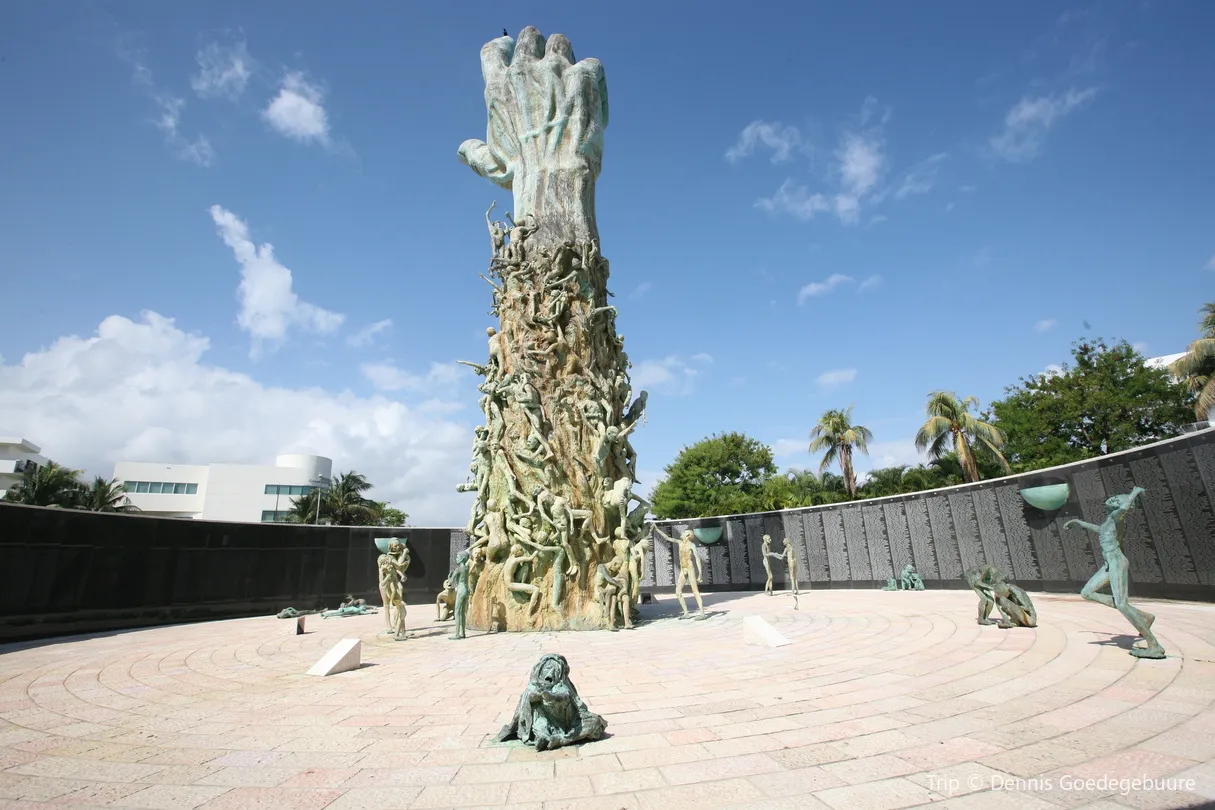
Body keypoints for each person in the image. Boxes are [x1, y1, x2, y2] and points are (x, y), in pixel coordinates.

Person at [1065, 487, 1165, 659]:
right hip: (1108, 564)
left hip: (1117, 561)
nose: (1112, 500)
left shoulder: (1117, 517)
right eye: (1113, 498)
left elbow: (1124, 509)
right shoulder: (1108, 522)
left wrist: (1134, 493)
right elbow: (1100, 530)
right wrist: (1080, 523)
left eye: (1117, 500)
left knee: (1121, 604)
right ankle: (1145, 617)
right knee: (1087, 592)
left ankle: (1154, 645)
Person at [652, 527, 705, 619]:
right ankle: (686, 613)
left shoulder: (692, 545)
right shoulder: (680, 543)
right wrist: (656, 529)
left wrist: (700, 574)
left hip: (689, 568)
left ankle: (702, 613)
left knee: (695, 591)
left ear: (688, 536)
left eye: (684, 532)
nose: (682, 533)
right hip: (683, 569)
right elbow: (667, 538)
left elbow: (697, 559)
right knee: (678, 592)